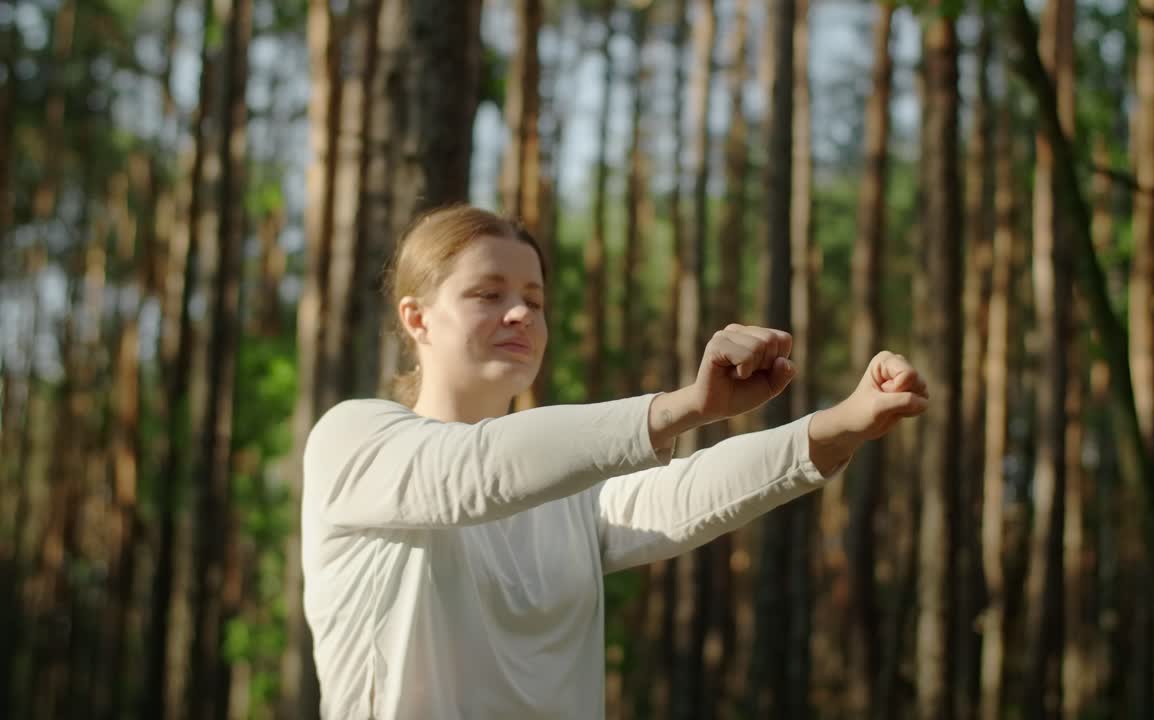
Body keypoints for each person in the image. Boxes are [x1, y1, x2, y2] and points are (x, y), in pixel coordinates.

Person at [301, 205, 929, 718]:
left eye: (535, 299)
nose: (520, 313)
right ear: (417, 319)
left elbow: (685, 492)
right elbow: (473, 471)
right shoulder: (354, 438)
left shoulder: (566, 490)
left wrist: (842, 424)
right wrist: (685, 406)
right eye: (488, 294)